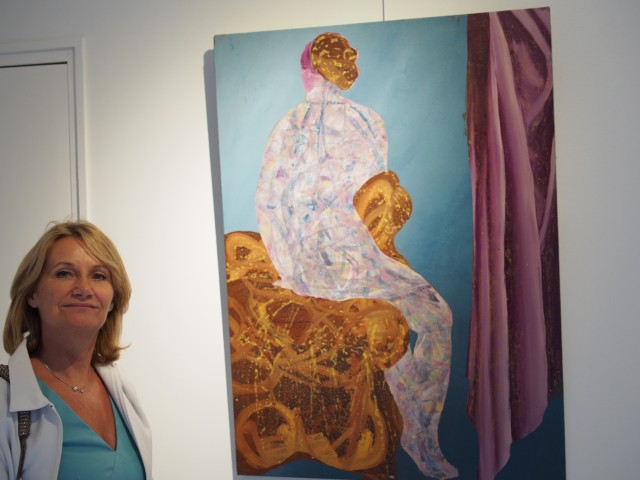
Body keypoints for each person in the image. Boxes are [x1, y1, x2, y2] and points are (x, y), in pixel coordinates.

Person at [255, 33, 458, 478]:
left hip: (346, 258)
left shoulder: (319, 123)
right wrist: (292, 270)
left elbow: (271, 202)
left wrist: (292, 267)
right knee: (428, 318)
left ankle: (418, 432)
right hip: (328, 262)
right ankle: (420, 435)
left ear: (307, 71)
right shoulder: (356, 122)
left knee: (428, 316)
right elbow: (278, 202)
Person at [0, 220, 152, 479]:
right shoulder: (7, 396)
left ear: (112, 300)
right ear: (32, 294)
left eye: (99, 276)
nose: (83, 289)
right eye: (64, 273)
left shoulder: (121, 389)